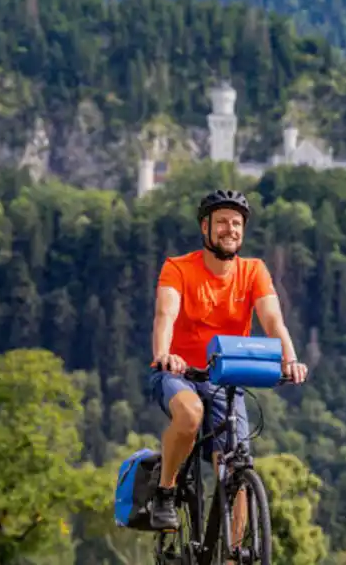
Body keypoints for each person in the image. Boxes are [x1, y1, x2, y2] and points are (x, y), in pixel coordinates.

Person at [145, 189, 310, 535]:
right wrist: (163, 354)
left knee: (237, 464)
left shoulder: (253, 271)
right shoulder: (178, 268)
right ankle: (165, 490)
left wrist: (290, 359)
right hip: (179, 373)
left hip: (224, 377)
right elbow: (165, 315)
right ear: (205, 227)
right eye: (221, 222)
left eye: (236, 223)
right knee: (190, 415)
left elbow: (273, 321)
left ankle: (235, 553)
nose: (230, 229)